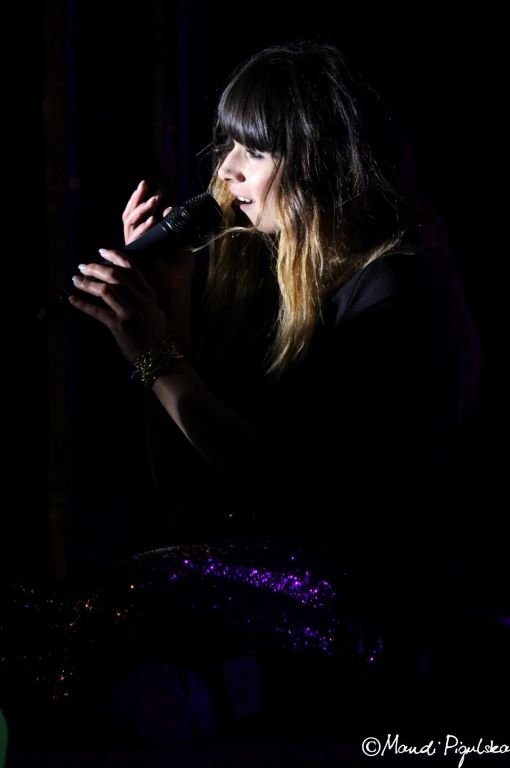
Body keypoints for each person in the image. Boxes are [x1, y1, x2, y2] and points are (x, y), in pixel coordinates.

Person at [1, 40, 480, 746]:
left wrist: (156, 354)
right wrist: (170, 305)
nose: (226, 171)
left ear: (319, 161)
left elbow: (290, 492)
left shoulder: (395, 292)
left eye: (252, 151)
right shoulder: (273, 288)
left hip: (359, 619)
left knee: (104, 622)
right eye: (228, 146)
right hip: (268, 603)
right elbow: (180, 486)